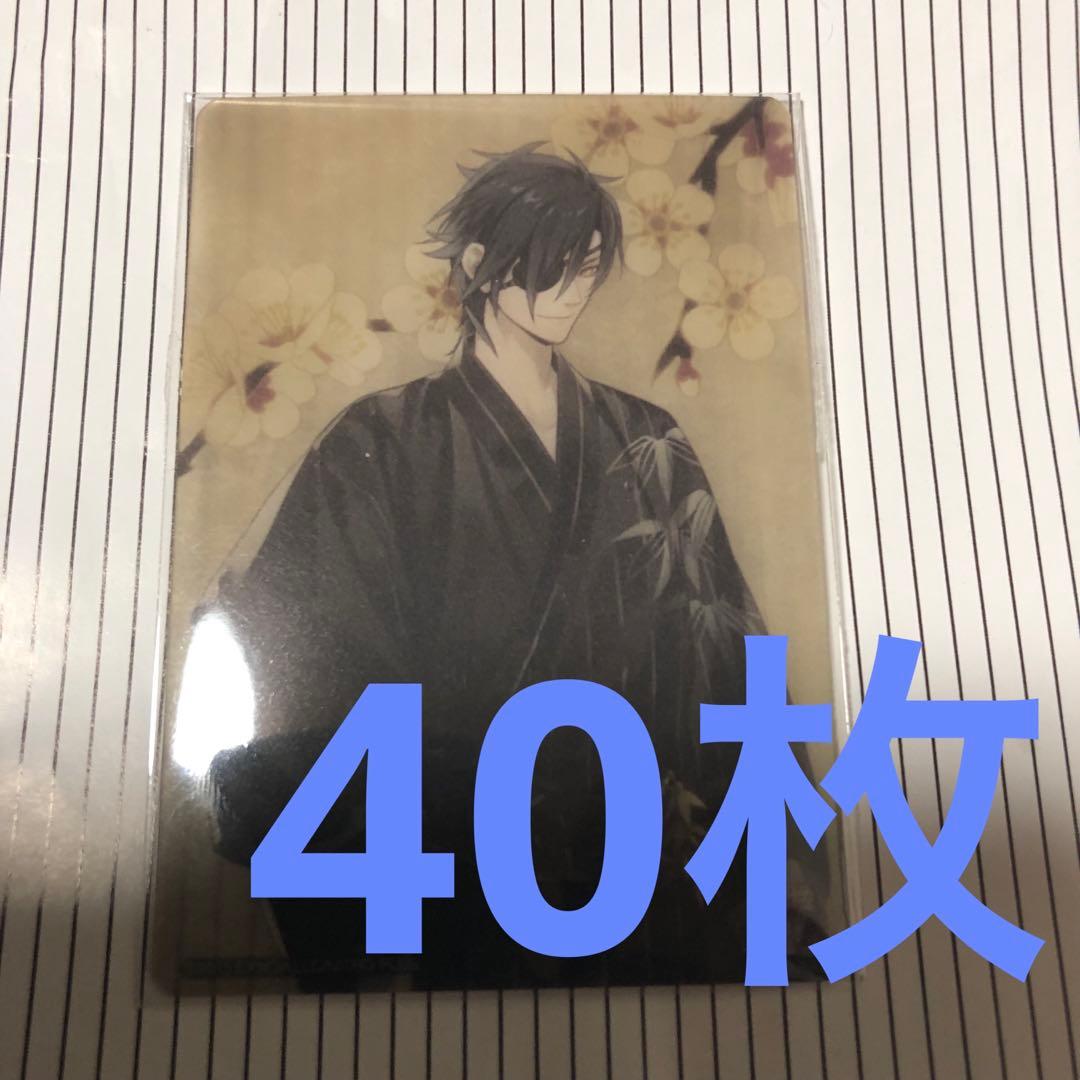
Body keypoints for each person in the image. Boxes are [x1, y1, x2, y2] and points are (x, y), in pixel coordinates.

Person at [207, 146, 783, 991]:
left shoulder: (644, 438)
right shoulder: (383, 442)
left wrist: (751, 854)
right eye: (552, 265)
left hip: (635, 861)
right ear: (479, 265)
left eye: (587, 267)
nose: (574, 289)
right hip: (450, 861)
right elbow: (311, 662)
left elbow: (721, 655)